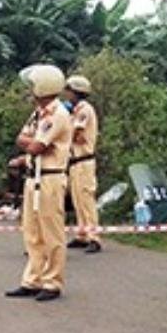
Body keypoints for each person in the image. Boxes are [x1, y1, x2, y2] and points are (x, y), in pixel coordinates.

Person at [3, 64, 73, 302]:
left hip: (51, 177)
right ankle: (32, 279)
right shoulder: (38, 113)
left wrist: (33, 143)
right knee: (31, 233)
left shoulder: (58, 115)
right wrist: (32, 144)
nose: (31, 91)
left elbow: (34, 145)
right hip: (34, 175)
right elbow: (22, 139)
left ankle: (52, 281)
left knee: (51, 233)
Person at [63, 75, 101, 253]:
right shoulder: (75, 110)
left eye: (69, 90)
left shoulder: (85, 110)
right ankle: (82, 234)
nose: (67, 94)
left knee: (86, 199)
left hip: (84, 160)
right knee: (77, 200)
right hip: (74, 161)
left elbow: (77, 134)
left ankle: (94, 237)